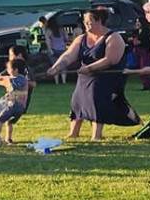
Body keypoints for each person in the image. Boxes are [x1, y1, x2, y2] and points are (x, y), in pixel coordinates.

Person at [48, 8, 140, 141]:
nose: (86, 25)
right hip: (85, 76)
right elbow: (69, 55)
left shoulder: (114, 37)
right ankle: (73, 132)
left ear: (99, 21)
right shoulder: (82, 38)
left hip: (106, 77)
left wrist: (90, 68)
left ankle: (96, 135)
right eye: (85, 22)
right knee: (77, 101)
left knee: (96, 100)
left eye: (89, 22)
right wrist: (56, 67)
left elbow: (110, 59)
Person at [45, 18, 67, 85]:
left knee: (55, 66)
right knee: (63, 66)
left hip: (53, 50)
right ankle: (64, 82)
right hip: (62, 50)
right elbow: (66, 38)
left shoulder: (48, 31)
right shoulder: (61, 29)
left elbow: (48, 41)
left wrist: (50, 50)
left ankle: (56, 82)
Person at [135, 19, 150, 91]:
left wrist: (140, 42)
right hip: (139, 52)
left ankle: (148, 84)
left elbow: (149, 42)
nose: (137, 23)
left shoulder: (148, 31)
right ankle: (145, 84)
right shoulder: (137, 31)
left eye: (138, 21)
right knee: (141, 68)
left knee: (145, 68)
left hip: (146, 52)